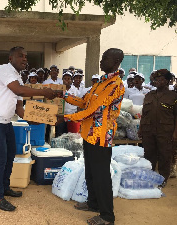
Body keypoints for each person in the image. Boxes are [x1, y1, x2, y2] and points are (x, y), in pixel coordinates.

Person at [0, 46, 55, 212]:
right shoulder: (4, 70)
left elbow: (19, 108)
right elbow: (19, 90)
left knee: (10, 154)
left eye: (26, 57)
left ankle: (5, 187)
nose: (24, 59)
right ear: (10, 58)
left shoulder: (18, 78)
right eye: (20, 56)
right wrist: (44, 92)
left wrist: (33, 119)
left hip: (5, 122)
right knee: (0, 158)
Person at [62, 48, 125, 225]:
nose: (101, 61)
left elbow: (94, 110)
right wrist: (64, 95)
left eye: (106, 58)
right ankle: (93, 203)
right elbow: (84, 102)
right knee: (90, 171)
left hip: (101, 136)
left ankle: (107, 216)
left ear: (116, 62)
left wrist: (66, 117)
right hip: (89, 134)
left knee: (101, 175)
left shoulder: (115, 85)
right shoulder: (100, 83)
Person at [138, 69, 177, 187]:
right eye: (156, 79)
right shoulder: (149, 95)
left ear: (167, 81)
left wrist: (175, 133)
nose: (158, 82)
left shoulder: (173, 96)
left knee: (165, 155)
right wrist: (140, 129)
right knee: (149, 154)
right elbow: (144, 114)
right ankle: (150, 177)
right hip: (148, 131)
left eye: (162, 79)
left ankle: (162, 179)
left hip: (165, 132)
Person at [55, 71, 78, 137]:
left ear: (71, 80)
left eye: (69, 79)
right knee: (60, 134)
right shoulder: (58, 89)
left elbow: (79, 104)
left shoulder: (75, 90)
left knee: (71, 136)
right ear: (62, 80)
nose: (67, 80)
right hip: (61, 116)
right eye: (65, 78)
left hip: (72, 117)